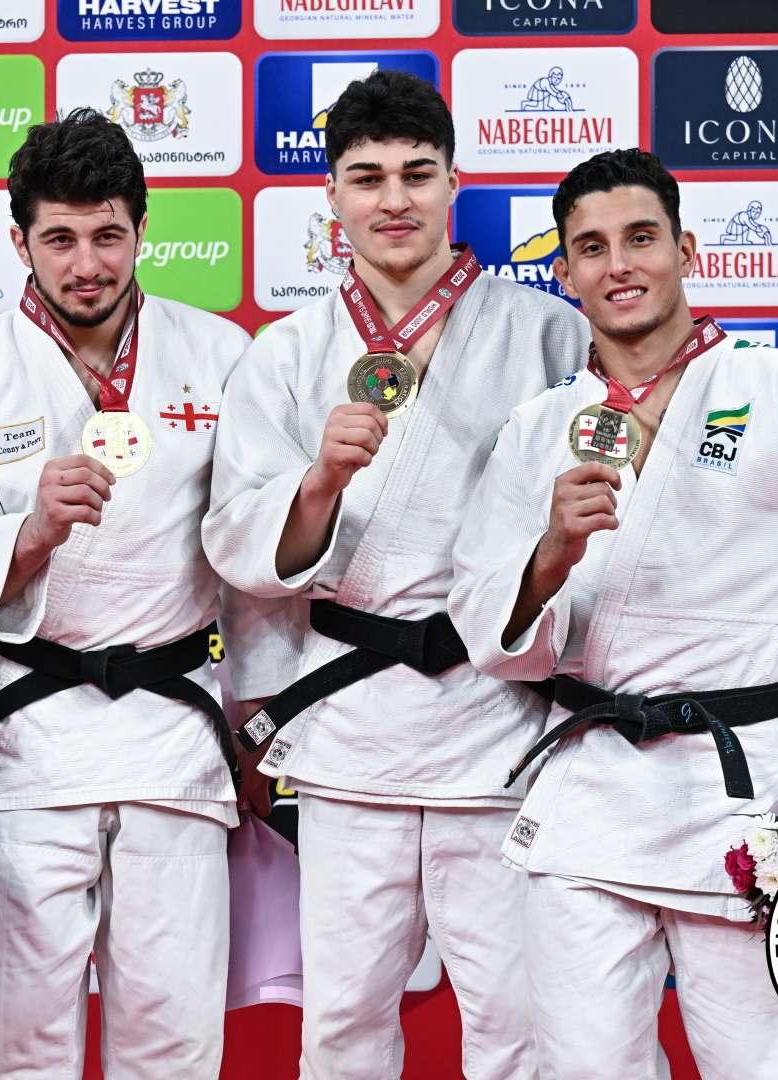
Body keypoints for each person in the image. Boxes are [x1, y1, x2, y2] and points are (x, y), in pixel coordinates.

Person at [447, 148, 778, 1079]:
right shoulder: (534, 432)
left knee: (777, 1067)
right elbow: (489, 630)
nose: (619, 265)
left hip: (750, 798)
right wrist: (552, 553)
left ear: (684, 248)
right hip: (591, 793)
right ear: (564, 273)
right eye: (591, 248)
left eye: (641, 238)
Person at [202, 70, 589, 1079]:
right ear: (330, 195)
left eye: (418, 174)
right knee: (343, 1021)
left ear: (455, 183)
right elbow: (240, 543)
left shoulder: (550, 333)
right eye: (366, 177)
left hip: (499, 725)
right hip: (351, 740)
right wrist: (321, 480)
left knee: (519, 1022)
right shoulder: (288, 354)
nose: (395, 200)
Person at [0, 108, 282, 1079]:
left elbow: (251, 569)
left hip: (173, 741)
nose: (88, 263)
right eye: (62, 238)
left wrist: (258, 723)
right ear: (18, 238)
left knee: (173, 1039)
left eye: (108, 234)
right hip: (33, 741)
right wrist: (29, 532)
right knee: (15, 1040)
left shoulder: (221, 356)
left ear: (141, 228)